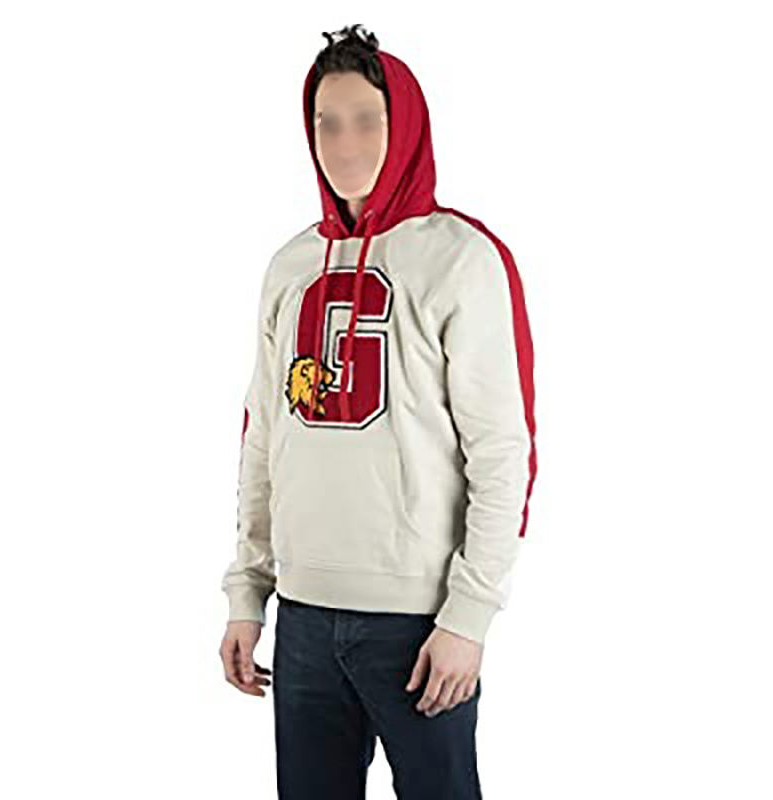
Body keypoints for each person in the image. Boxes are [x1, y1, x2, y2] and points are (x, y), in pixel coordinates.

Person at [219, 24, 537, 799]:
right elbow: (263, 439)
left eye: (366, 119)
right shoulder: (291, 265)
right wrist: (247, 591)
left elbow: (503, 452)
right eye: (326, 123)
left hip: (418, 626)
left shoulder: (462, 259)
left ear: (407, 126)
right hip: (302, 617)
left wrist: (468, 617)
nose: (345, 143)